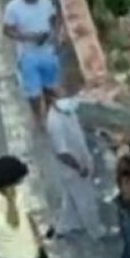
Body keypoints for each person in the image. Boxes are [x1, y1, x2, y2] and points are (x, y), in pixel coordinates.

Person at [45, 88, 112, 240]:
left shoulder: (67, 112)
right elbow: (62, 153)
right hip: (72, 170)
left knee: (70, 198)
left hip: (80, 160)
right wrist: (79, 168)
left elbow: (78, 129)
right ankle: (97, 232)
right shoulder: (54, 123)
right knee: (86, 201)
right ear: (52, 98)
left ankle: (66, 226)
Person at [3, 0, 62, 127]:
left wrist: (55, 35)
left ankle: (50, 114)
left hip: (47, 52)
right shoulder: (13, 7)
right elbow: (8, 30)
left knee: (50, 87)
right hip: (28, 54)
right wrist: (28, 37)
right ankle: (37, 116)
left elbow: (54, 19)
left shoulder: (46, 3)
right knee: (33, 93)